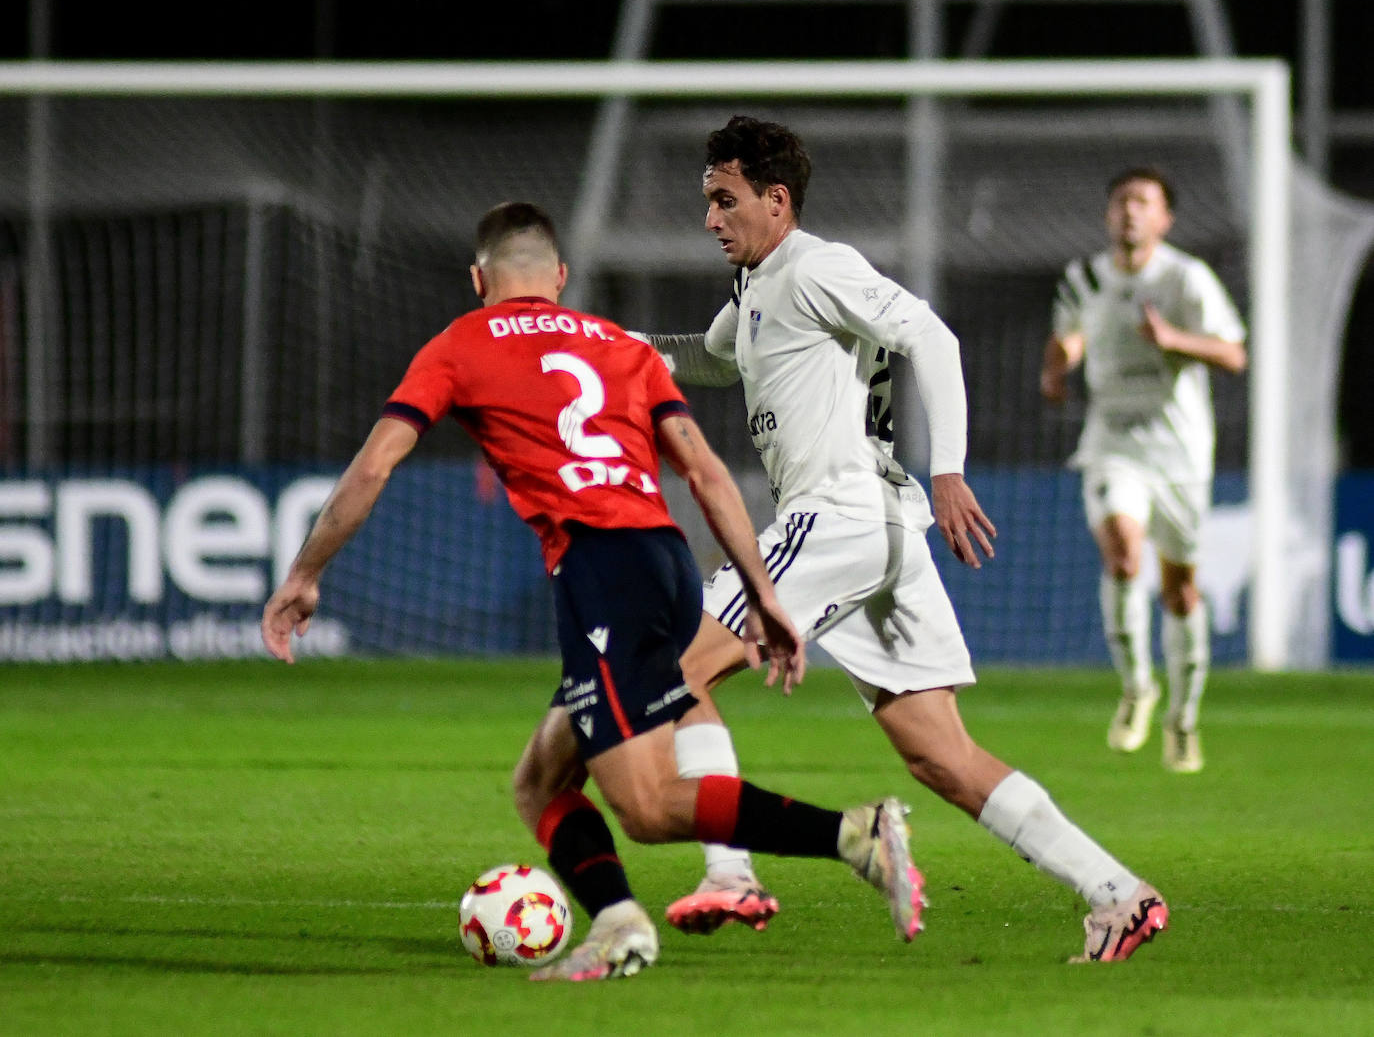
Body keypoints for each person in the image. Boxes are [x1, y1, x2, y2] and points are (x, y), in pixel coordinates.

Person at [517, 115, 1168, 963]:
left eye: (725, 200)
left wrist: (949, 468)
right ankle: (1119, 892)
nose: (710, 219)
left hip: (840, 514)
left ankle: (731, 872)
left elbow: (931, 334)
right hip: (881, 535)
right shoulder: (758, 289)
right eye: (707, 201)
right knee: (940, 754)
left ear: (776, 201)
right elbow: (705, 358)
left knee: (674, 665)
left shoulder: (815, 265)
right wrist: (593, 342)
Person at [261, 201, 925, 983]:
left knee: (644, 807)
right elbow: (706, 473)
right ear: (561, 278)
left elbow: (372, 468)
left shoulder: (457, 344)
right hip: (667, 564)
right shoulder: (617, 345)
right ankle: (616, 920)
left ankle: (854, 834)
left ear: (480, 279)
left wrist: (304, 574)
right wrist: (763, 594)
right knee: (540, 780)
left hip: (601, 575)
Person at [1040, 167, 1247, 774]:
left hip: (1179, 450)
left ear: (1165, 219)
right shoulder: (1083, 278)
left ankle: (1183, 720)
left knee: (1181, 586)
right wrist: (1057, 366)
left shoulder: (1186, 277)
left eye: (1143, 203)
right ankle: (1137, 687)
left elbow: (1233, 353)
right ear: (1109, 215)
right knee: (1123, 552)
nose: (1130, 212)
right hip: (1112, 441)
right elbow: (1070, 339)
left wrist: (1173, 339)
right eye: (1121, 202)